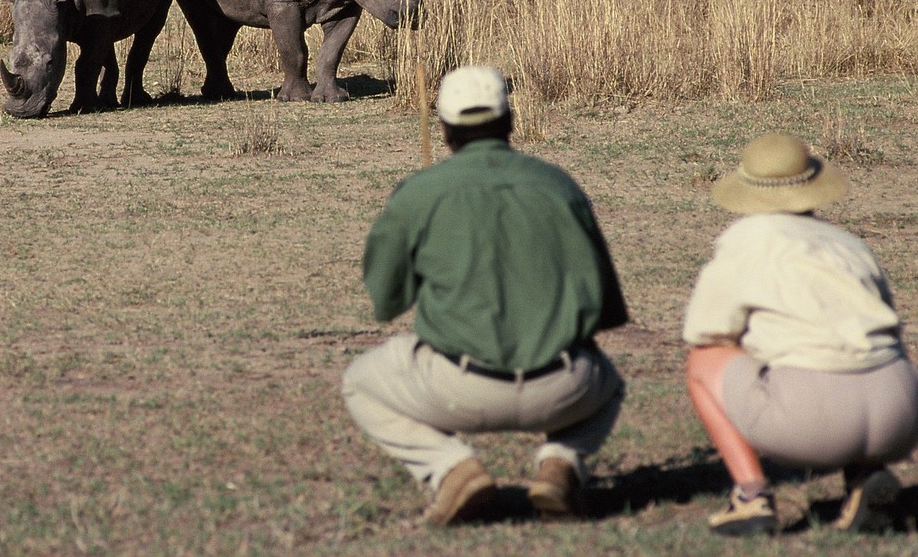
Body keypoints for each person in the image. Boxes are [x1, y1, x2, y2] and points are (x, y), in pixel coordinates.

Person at [341, 65, 628, 525]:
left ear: (446, 130)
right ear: (510, 121)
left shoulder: (420, 192)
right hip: (562, 386)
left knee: (360, 382)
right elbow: (606, 311)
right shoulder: (559, 186)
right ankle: (561, 462)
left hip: (458, 386)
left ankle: (452, 470)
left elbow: (386, 300)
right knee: (610, 381)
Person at [684, 132, 918, 536]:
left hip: (814, 420)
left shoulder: (746, 242)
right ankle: (865, 477)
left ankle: (750, 495)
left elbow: (704, 331)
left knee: (702, 362)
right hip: (901, 414)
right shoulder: (850, 245)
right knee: (861, 351)